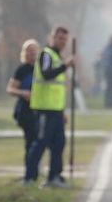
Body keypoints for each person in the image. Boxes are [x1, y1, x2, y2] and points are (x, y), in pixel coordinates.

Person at [26, 26, 75, 188]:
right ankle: (30, 177)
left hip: (56, 109)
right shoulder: (46, 54)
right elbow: (47, 74)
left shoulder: (57, 56)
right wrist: (65, 66)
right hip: (44, 109)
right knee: (41, 142)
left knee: (59, 143)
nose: (62, 42)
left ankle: (54, 176)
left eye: (65, 39)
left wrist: (63, 110)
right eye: (60, 38)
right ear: (52, 38)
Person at [7, 39, 39, 173]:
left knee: (39, 141)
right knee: (30, 141)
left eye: (34, 51)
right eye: (29, 51)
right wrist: (23, 93)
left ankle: (36, 168)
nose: (31, 54)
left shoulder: (41, 69)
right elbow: (10, 89)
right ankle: (30, 172)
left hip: (40, 110)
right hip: (26, 111)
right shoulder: (22, 70)